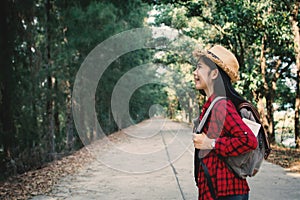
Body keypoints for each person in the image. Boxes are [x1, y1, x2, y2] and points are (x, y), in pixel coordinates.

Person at [192, 45, 258, 200]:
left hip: (227, 192)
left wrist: (211, 143)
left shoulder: (221, 105)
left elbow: (249, 140)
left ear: (214, 73)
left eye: (200, 68)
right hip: (217, 190)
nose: (194, 73)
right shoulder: (211, 104)